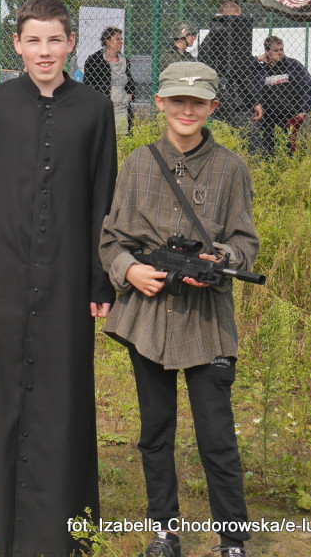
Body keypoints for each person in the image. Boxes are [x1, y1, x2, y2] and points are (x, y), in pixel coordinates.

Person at [0, 0, 117, 557]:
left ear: (70, 43)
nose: (44, 51)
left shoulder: (95, 109)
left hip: (70, 278)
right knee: (3, 397)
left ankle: (68, 528)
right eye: (33, 40)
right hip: (4, 274)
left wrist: (102, 279)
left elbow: (103, 199)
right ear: (17, 45)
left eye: (54, 40)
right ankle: (2, 525)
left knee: (65, 395)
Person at [100, 61, 259, 557]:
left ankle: (232, 540)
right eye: (177, 101)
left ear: (212, 107)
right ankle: (163, 530)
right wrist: (130, 270)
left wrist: (222, 259)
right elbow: (112, 240)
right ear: (162, 105)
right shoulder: (138, 165)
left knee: (216, 437)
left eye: (198, 102)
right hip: (148, 319)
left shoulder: (231, 168)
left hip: (207, 321)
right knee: (156, 431)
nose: (187, 110)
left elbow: (245, 242)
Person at [198, 0, 262, 132]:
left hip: (217, 96)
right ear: (235, 13)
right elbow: (243, 72)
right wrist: (255, 100)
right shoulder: (237, 37)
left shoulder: (209, 39)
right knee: (248, 136)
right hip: (239, 99)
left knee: (221, 134)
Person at [251, 35, 311, 155]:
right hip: (268, 120)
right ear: (267, 52)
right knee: (270, 153)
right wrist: (259, 58)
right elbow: (240, 66)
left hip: (292, 118)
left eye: (281, 49)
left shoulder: (293, 65)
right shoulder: (260, 69)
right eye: (276, 50)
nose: (280, 53)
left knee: (292, 152)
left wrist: (303, 110)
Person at [83, 26, 135, 134]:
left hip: (122, 108)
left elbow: (130, 83)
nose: (121, 42)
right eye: (118, 39)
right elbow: (88, 85)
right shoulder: (95, 60)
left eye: (121, 39)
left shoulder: (125, 61)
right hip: (103, 110)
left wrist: (130, 94)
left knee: (122, 138)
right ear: (107, 41)